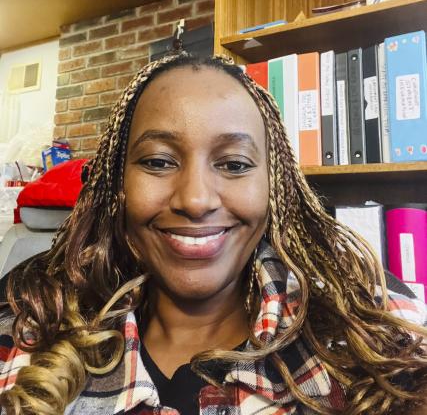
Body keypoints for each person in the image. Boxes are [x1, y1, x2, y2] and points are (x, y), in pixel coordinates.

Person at [0, 52, 426, 415]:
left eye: (235, 164)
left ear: (274, 186)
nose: (197, 199)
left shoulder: (369, 321)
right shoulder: (29, 315)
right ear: (118, 183)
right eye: (159, 162)